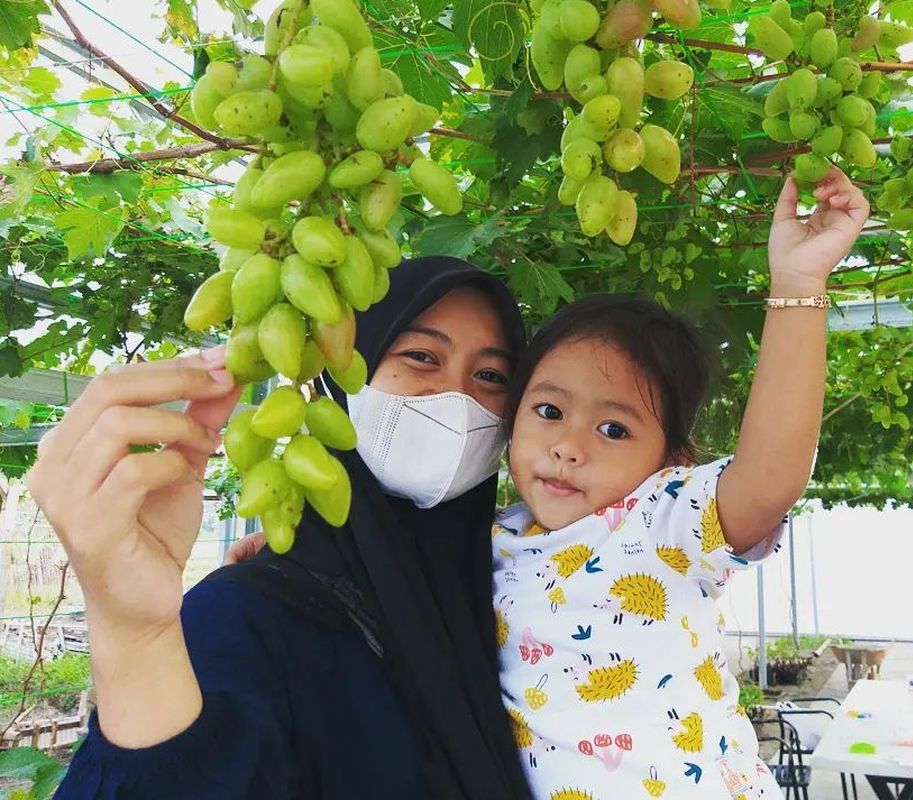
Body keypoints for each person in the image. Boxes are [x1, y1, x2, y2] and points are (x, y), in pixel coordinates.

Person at [26, 257, 534, 799]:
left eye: (491, 377)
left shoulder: (522, 597)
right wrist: (134, 638)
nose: (455, 397)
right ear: (345, 376)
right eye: (420, 356)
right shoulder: (249, 617)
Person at [489, 167, 867, 797]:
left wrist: (798, 284)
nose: (567, 447)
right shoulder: (487, 541)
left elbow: (771, 476)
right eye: (549, 411)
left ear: (671, 461)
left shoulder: (662, 519)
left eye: (613, 430)